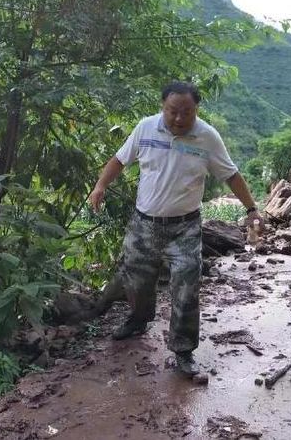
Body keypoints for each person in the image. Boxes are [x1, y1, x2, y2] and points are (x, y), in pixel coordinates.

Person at [89, 81, 264, 376]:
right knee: (137, 279)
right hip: (144, 223)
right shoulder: (145, 128)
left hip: (185, 228)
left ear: (196, 110)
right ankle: (138, 320)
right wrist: (100, 186)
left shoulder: (207, 137)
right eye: (173, 111)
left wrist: (251, 209)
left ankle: (183, 349)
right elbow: (120, 159)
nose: (180, 119)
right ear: (162, 107)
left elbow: (231, 175)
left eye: (187, 112)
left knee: (186, 286)